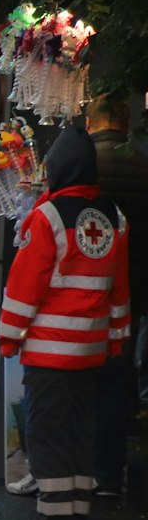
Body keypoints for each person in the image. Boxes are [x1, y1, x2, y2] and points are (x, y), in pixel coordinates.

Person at [0, 127, 131, 520]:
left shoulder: (50, 215)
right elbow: (118, 289)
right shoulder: (114, 216)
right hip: (91, 351)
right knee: (78, 433)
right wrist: (115, 341)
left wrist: (7, 337)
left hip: (51, 352)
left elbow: (26, 284)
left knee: (48, 435)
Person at [87, 94, 147, 495]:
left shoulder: (86, 163)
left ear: (93, 121)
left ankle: (86, 465)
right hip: (136, 285)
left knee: (84, 376)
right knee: (120, 373)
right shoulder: (143, 161)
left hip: (88, 287)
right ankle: (111, 467)